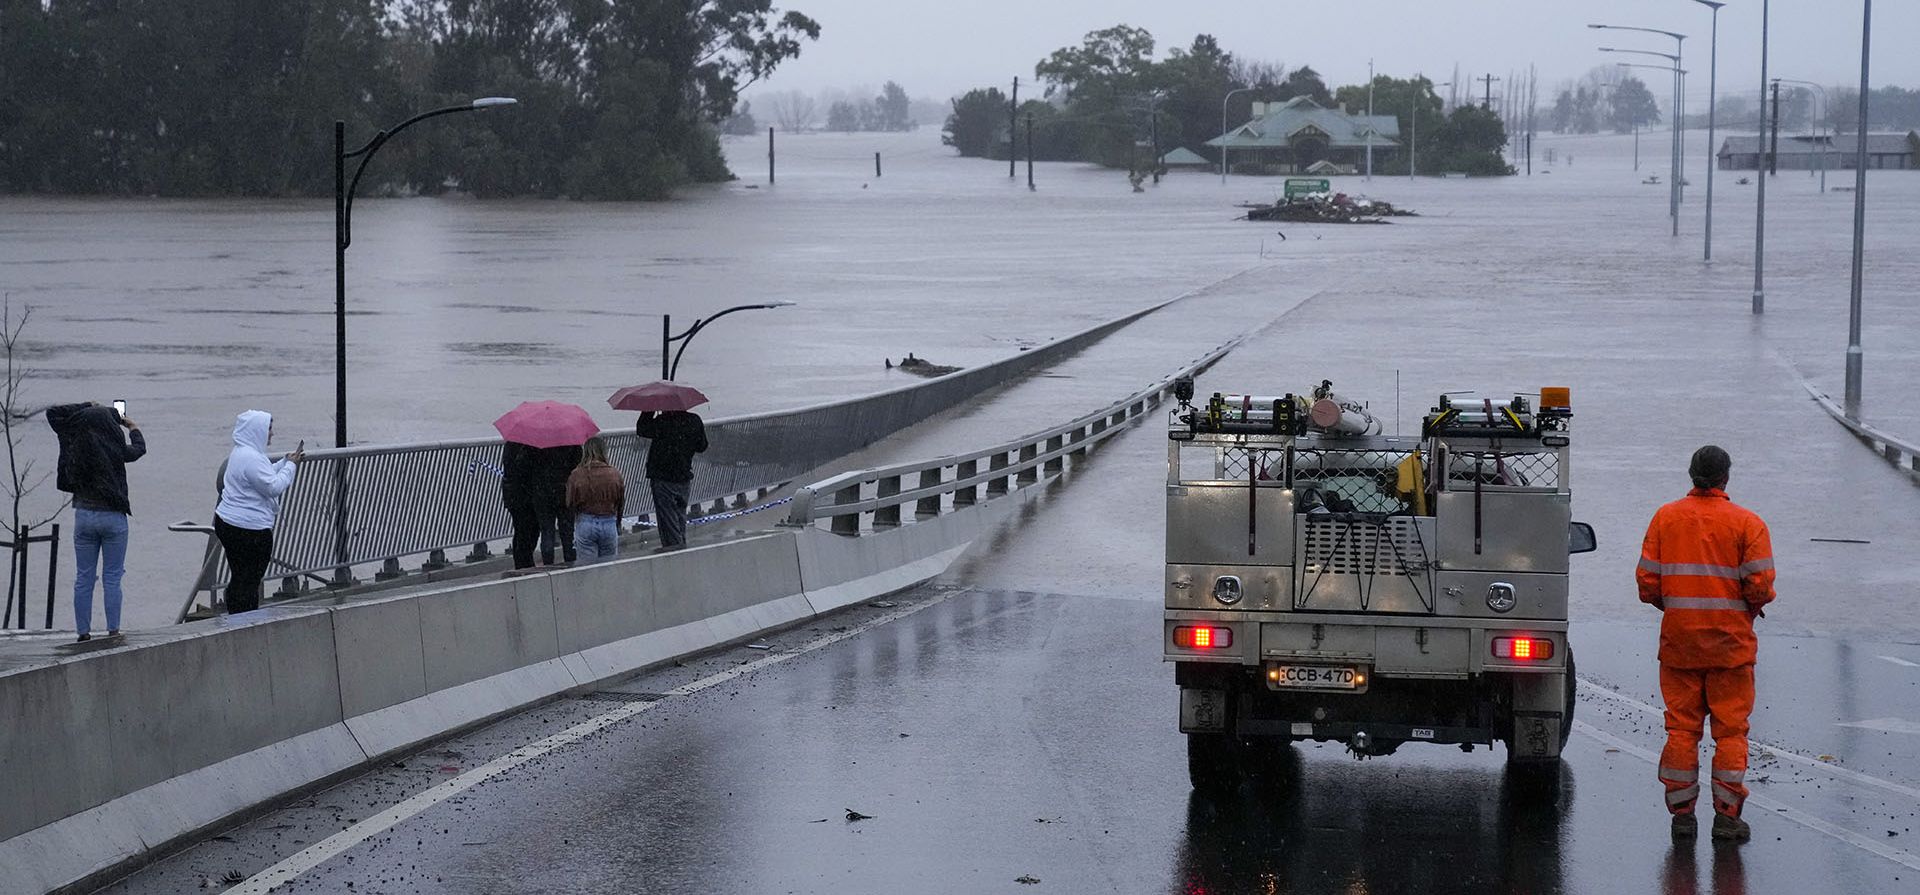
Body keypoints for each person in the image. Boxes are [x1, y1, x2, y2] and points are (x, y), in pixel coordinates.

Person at [1637, 445, 1775, 843]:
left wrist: (1677, 608)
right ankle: (1727, 818)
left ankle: (1682, 817)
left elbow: (1647, 583)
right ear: (1725, 478)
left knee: (1681, 730)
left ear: (1691, 474)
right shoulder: (1749, 524)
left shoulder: (1666, 518)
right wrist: (1747, 608)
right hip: (1731, 648)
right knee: (1731, 733)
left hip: (1680, 645)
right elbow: (1760, 586)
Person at [47, 401, 146, 641]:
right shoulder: (115, 447)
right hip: (113, 518)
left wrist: (87, 405)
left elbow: (53, 413)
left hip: (84, 517)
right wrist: (131, 426)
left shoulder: (75, 443)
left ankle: (83, 633)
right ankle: (113, 630)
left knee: (84, 577)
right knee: (112, 577)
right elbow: (139, 449)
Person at [214, 410, 302, 614]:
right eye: (268, 429)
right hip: (250, 530)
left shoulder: (240, 453)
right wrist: (291, 467)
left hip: (227, 522)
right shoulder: (252, 458)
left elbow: (262, 475)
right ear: (257, 431)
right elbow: (273, 487)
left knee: (239, 576)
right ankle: (244, 619)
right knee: (250, 580)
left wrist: (283, 462)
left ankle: (236, 616)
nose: (272, 434)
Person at [634, 409, 707, 549]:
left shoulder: (662, 422)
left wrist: (649, 410)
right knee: (680, 518)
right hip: (684, 477)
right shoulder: (694, 420)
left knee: (668, 521)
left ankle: (675, 554)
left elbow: (642, 429)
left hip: (663, 478)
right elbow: (702, 446)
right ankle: (681, 549)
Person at [567, 436, 626, 563]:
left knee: (587, 570)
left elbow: (570, 502)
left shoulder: (576, 475)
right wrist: (618, 523)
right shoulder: (614, 474)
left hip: (585, 522)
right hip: (609, 522)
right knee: (608, 568)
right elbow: (620, 502)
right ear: (604, 451)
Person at [534, 443, 581, 566]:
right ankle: (570, 561)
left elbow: (532, 465)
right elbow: (578, 465)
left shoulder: (539, 443)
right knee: (567, 532)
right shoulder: (571, 442)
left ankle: (548, 564)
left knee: (547, 531)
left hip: (544, 493)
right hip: (565, 492)